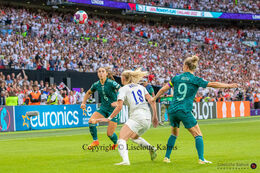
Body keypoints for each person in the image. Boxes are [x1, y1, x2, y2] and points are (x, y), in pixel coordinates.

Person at [152, 55, 238, 164]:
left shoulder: (176, 78)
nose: (182, 67)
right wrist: (229, 85)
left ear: (187, 66)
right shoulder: (195, 80)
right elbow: (212, 84)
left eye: (183, 65)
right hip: (184, 110)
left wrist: (155, 98)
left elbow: (164, 88)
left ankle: (166, 157)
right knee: (198, 134)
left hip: (172, 110)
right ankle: (201, 159)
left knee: (173, 134)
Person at [97, 68, 159, 165]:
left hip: (137, 116)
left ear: (124, 79)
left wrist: (109, 118)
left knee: (121, 139)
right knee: (134, 137)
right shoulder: (140, 87)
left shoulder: (123, 89)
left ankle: (125, 161)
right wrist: (155, 117)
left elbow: (120, 107)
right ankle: (151, 148)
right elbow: (151, 101)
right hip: (147, 118)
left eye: (121, 77)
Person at [80, 67, 121, 149]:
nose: (101, 73)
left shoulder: (111, 83)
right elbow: (88, 92)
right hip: (103, 108)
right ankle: (95, 141)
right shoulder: (96, 84)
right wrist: (83, 102)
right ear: (97, 74)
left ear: (106, 73)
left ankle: (116, 143)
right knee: (91, 121)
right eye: (99, 72)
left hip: (113, 110)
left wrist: (118, 102)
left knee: (110, 134)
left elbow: (122, 90)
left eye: (103, 71)